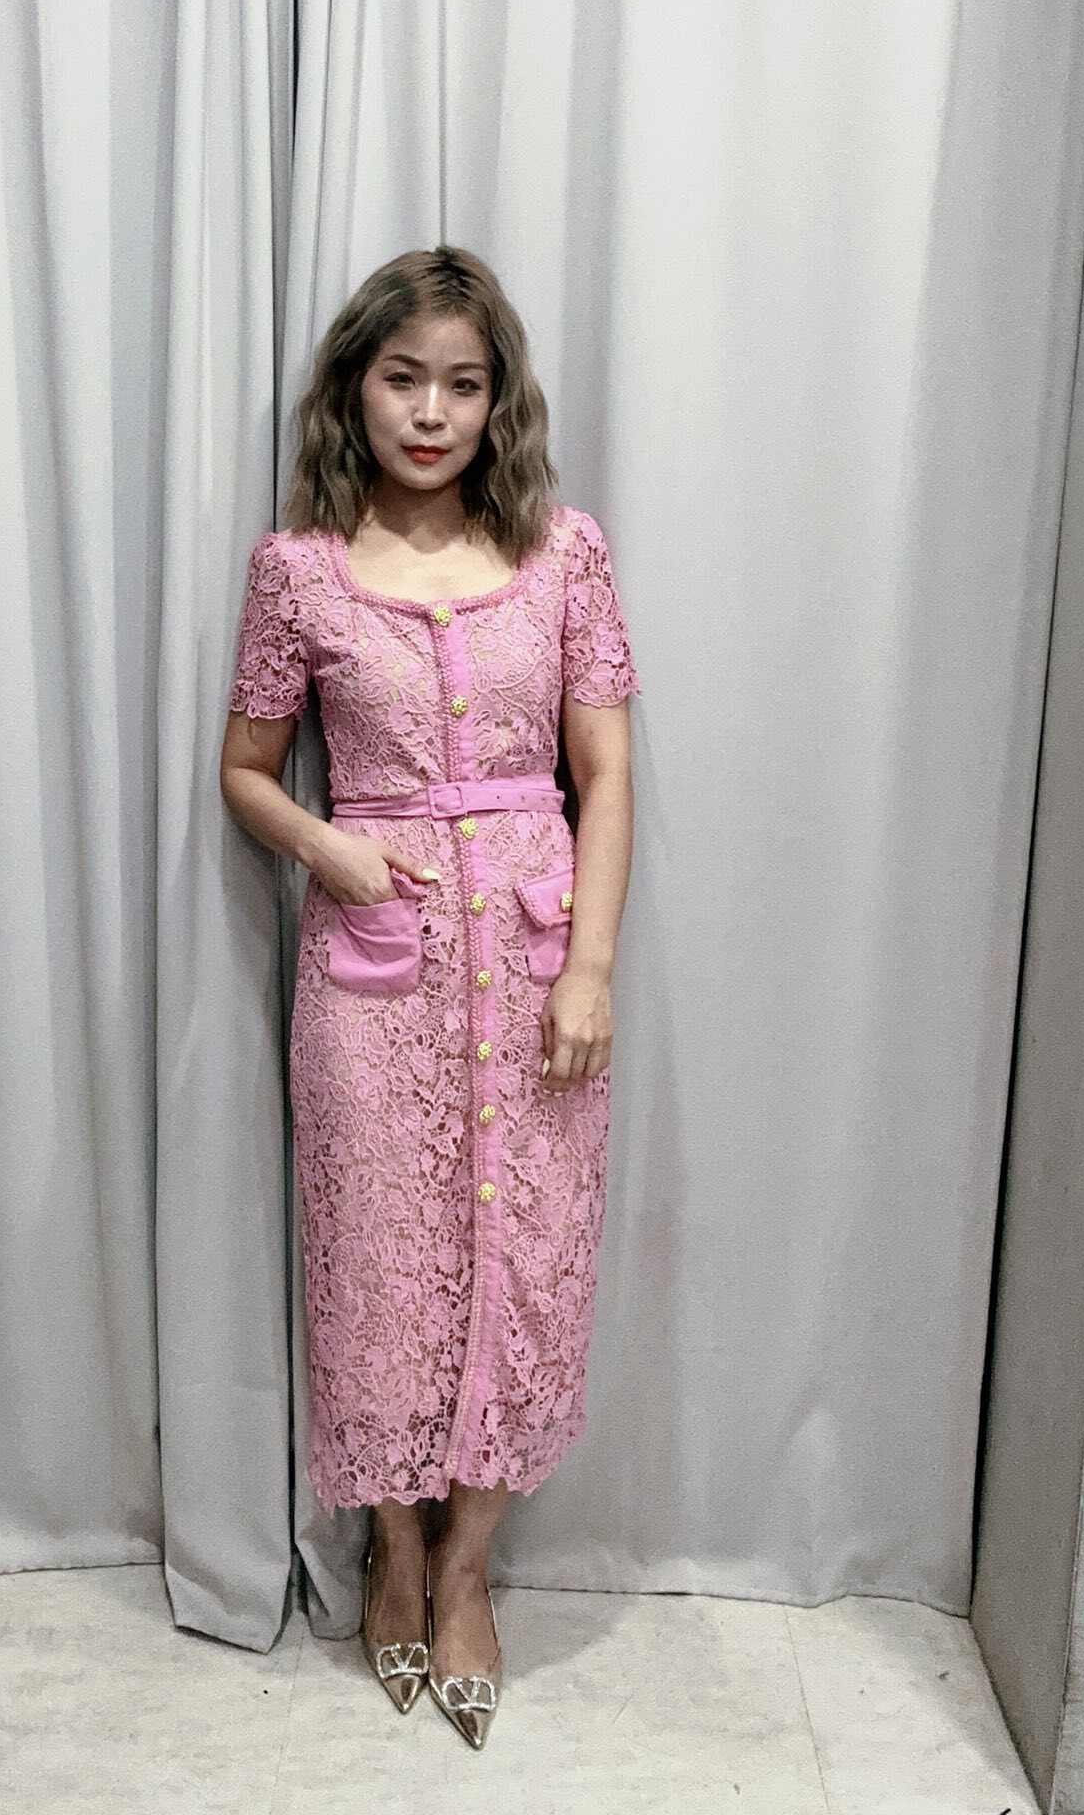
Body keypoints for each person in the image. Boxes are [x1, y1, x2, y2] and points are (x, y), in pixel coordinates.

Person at [219, 245, 640, 1748]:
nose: (431, 412)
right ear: (357, 387)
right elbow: (245, 771)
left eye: (463, 385)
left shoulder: (563, 557)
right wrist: (330, 844)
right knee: (381, 1266)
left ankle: (470, 1566)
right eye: (404, 379)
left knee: (526, 1262)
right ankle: (391, 1549)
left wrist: (589, 965)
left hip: (531, 973)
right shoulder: (299, 574)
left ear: (496, 402)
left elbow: (605, 775)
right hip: (372, 982)